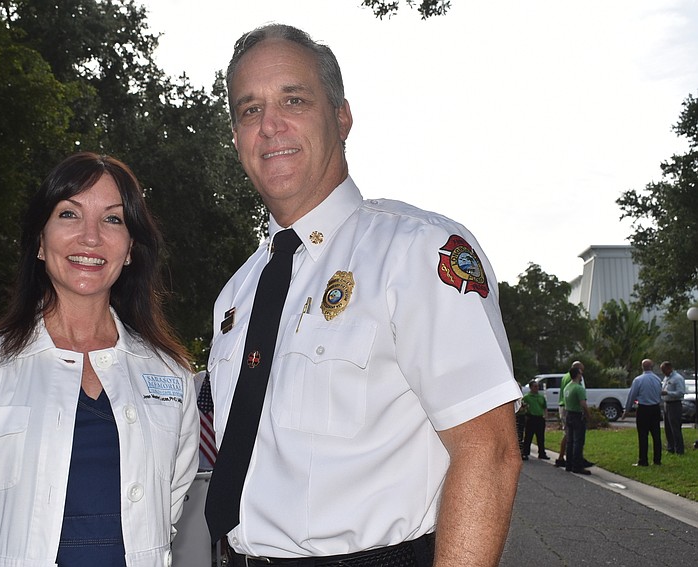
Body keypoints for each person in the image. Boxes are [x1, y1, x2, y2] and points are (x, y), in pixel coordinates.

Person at [204, 24, 521, 567]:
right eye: (249, 109)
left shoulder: (416, 252)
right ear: (235, 137)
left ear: (342, 116)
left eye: (294, 99)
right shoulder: (238, 293)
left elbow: (488, 452)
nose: (270, 126)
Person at [0, 152, 200, 567]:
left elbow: (168, 507)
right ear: (40, 243)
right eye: (69, 214)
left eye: (113, 219)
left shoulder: (169, 373)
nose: (90, 237)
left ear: (131, 248)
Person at [621, 358, 662, 466]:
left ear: (642, 367)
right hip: (655, 408)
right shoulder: (657, 379)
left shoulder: (638, 380)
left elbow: (632, 395)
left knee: (643, 435)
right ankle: (657, 460)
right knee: (656, 435)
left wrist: (627, 410)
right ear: (652, 367)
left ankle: (643, 460)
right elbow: (660, 393)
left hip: (644, 408)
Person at [554, 360, 584, 467]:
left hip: (564, 406)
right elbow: (572, 394)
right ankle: (564, 457)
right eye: (581, 371)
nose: (582, 373)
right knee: (569, 435)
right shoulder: (571, 380)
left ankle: (568, 457)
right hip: (568, 408)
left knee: (568, 434)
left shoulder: (565, 376)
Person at [563, 367, 592, 475]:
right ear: (578, 375)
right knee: (578, 442)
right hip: (577, 415)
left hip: (569, 414)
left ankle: (569, 464)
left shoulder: (567, 387)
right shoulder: (578, 388)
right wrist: (588, 415)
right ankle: (577, 465)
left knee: (570, 441)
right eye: (580, 373)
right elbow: (583, 404)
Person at [660, 361, 686, 454]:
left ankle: (679, 449)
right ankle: (670, 448)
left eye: (664, 370)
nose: (663, 372)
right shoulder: (666, 378)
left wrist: (668, 393)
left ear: (669, 368)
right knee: (667, 428)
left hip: (675, 404)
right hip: (667, 404)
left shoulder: (677, 378)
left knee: (675, 427)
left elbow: (681, 392)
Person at [522, 379, 549, 460]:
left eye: (537, 386)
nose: (537, 388)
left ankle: (542, 453)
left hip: (540, 418)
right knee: (528, 437)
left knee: (541, 437)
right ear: (531, 387)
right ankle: (525, 453)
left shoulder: (541, 397)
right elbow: (523, 406)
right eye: (535, 386)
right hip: (531, 418)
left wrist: (545, 415)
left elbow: (544, 407)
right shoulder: (527, 397)